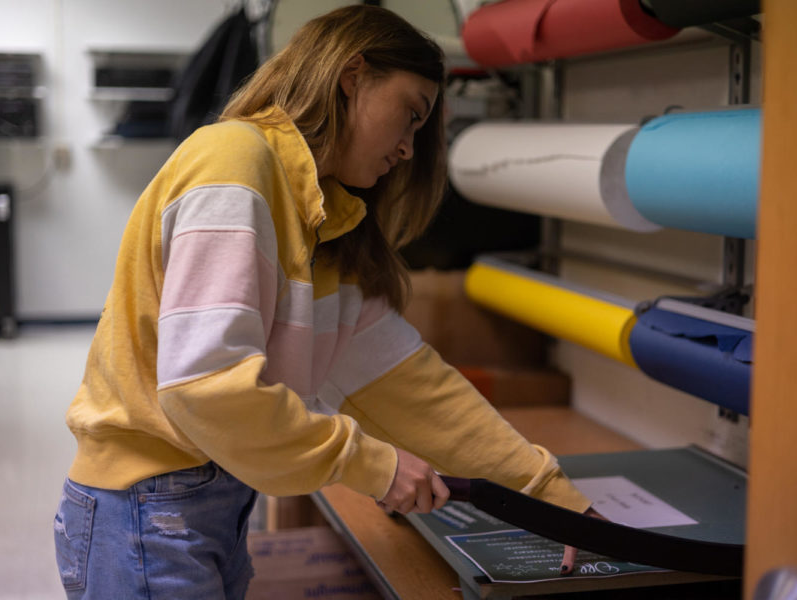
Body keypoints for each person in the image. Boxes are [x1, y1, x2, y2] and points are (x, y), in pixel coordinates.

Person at [53, 5, 594, 598]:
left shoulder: (324, 225)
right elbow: (205, 388)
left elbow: (410, 384)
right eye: (410, 115)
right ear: (351, 75)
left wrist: (546, 491)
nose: (409, 149)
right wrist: (373, 465)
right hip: (147, 509)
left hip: (203, 504)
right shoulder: (236, 160)